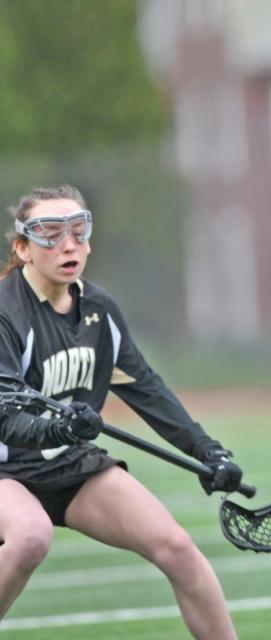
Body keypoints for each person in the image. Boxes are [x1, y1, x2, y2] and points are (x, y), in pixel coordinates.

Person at [0, 184, 243, 639]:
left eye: (77, 230)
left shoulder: (99, 310)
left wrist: (208, 451)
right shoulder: (6, 314)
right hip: (5, 469)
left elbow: (145, 389)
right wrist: (62, 428)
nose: (67, 244)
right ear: (23, 248)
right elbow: (6, 418)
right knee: (31, 536)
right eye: (50, 233)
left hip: (68, 465)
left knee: (177, 548)